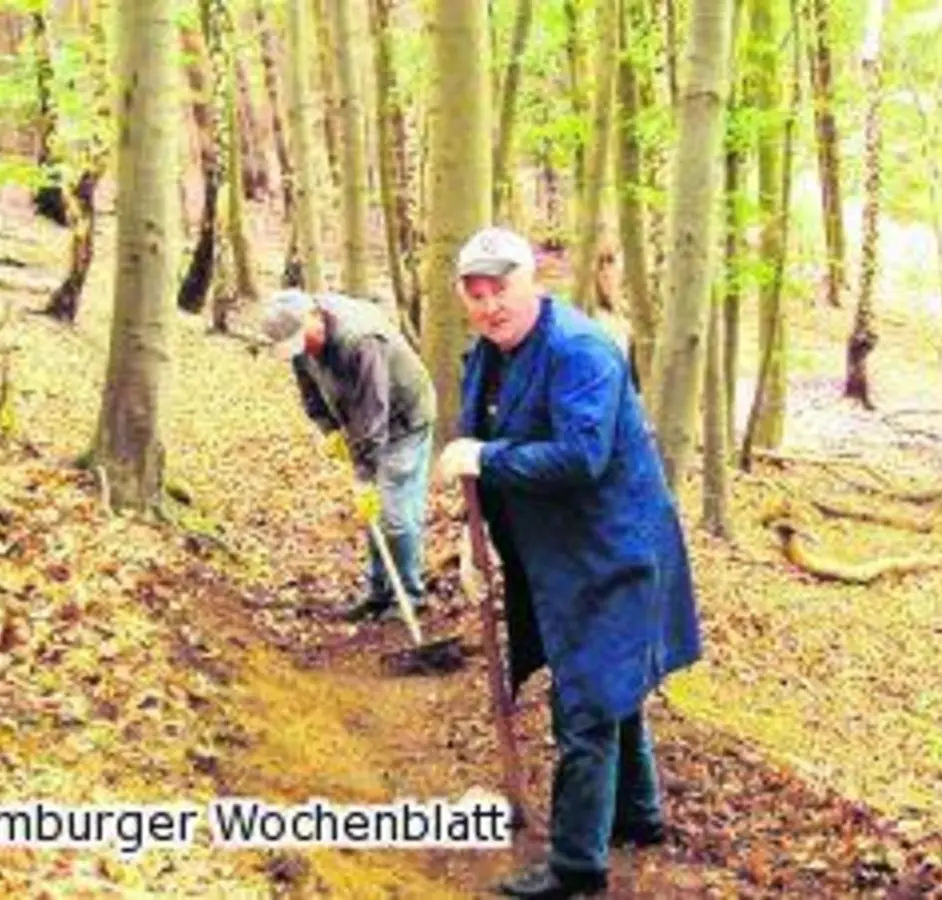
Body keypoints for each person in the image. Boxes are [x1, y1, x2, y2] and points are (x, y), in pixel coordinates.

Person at [435, 227, 701, 899]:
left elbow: (581, 457)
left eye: (502, 289)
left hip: (614, 548)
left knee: (584, 701)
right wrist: (480, 547)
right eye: (477, 293)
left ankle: (576, 867)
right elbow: (490, 457)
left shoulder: (581, 351)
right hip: (556, 550)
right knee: (610, 686)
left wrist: (485, 457)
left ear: (533, 282)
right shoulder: (489, 357)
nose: (490, 305)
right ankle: (638, 816)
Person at [261, 289, 438, 622]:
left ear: (313, 314)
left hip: (404, 419)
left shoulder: (361, 340)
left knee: (394, 514)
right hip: (364, 421)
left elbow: (374, 412)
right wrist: (328, 429)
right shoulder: (301, 342)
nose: (304, 351)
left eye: (303, 340)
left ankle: (410, 596)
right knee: (372, 513)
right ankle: (379, 591)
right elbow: (309, 391)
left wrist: (364, 474)